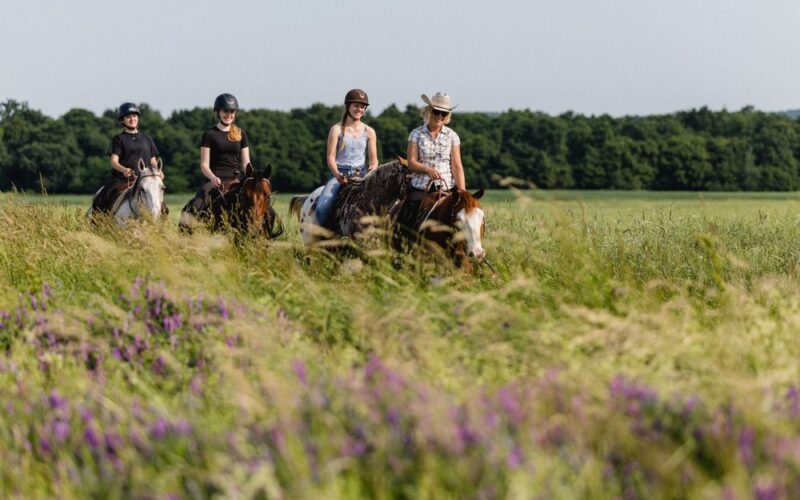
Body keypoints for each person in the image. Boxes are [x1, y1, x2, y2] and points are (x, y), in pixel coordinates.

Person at [396, 92, 466, 236]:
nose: (440, 117)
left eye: (444, 114)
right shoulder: (416, 134)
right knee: (406, 216)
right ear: (429, 111)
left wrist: (462, 192)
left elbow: (457, 166)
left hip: (447, 186)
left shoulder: (453, 136)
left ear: (447, 117)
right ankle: (401, 251)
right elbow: (411, 163)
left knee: (466, 219)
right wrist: (427, 169)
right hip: (422, 186)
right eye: (436, 112)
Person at [313, 88, 378, 226]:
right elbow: (330, 157)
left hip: (362, 175)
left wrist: (373, 168)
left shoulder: (369, 132)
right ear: (348, 106)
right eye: (356, 106)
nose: (359, 109)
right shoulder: (336, 129)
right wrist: (337, 175)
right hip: (340, 175)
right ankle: (318, 238)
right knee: (322, 207)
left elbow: (374, 159)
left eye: (362, 107)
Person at [182, 93, 251, 219]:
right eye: (225, 111)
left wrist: (252, 177)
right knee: (195, 207)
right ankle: (188, 234)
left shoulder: (242, 134)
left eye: (232, 111)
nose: (228, 115)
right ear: (218, 112)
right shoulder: (209, 134)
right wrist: (213, 177)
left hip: (235, 180)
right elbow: (204, 165)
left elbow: (246, 163)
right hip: (214, 180)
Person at [90, 102, 162, 214]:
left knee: (163, 207)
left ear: (138, 118)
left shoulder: (147, 138)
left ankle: (163, 227)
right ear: (122, 120)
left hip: (145, 179)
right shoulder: (118, 139)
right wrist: (124, 170)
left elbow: (153, 161)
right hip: (123, 179)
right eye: (128, 117)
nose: (132, 119)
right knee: (104, 196)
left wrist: (158, 172)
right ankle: (97, 222)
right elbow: (114, 161)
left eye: (134, 116)